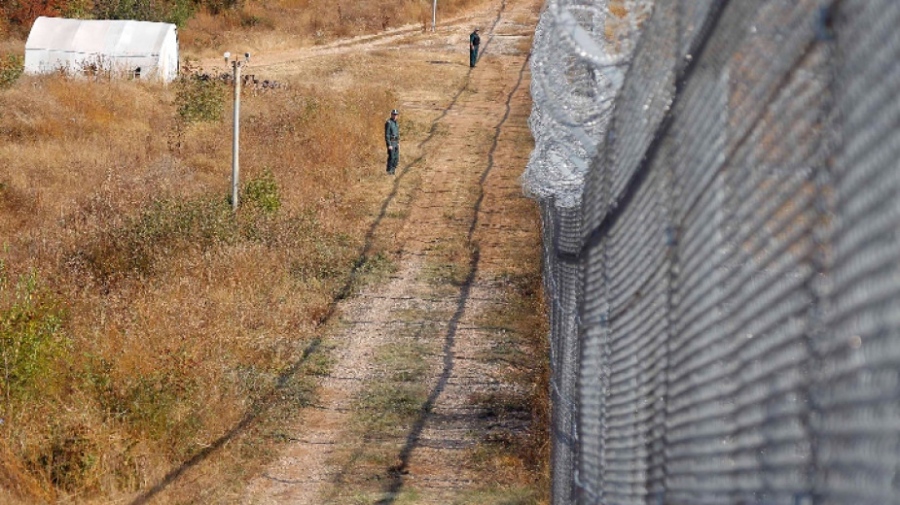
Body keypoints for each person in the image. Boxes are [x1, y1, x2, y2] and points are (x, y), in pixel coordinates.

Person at [385, 109, 400, 175]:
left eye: (396, 115)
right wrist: (389, 144)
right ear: (391, 115)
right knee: (391, 157)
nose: (395, 116)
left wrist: (398, 142)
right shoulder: (389, 123)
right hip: (391, 142)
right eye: (393, 114)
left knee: (396, 158)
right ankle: (389, 171)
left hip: (396, 142)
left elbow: (397, 133)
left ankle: (393, 170)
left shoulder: (396, 123)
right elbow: (387, 135)